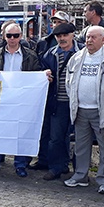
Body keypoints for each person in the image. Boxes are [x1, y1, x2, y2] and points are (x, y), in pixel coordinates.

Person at [64, 26, 104, 194]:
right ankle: (80, 175)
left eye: (94, 37)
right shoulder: (77, 58)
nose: (89, 40)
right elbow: (69, 81)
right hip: (81, 110)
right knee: (81, 146)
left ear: (103, 40)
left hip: (102, 110)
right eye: (88, 37)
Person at [0, 23, 42, 177]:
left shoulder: (30, 55)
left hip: (22, 101)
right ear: (4, 36)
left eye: (16, 36)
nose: (12, 39)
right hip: (1, 100)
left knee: (21, 132)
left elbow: (36, 74)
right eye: (9, 35)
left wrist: (43, 77)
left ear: (20, 36)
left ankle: (20, 164)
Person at [40, 22, 83, 181]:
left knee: (80, 139)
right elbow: (41, 69)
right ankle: (56, 167)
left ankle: (80, 171)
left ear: (73, 34)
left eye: (65, 35)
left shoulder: (83, 52)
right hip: (58, 102)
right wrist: (44, 74)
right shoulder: (49, 54)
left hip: (79, 103)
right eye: (59, 36)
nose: (62, 39)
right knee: (56, 138)